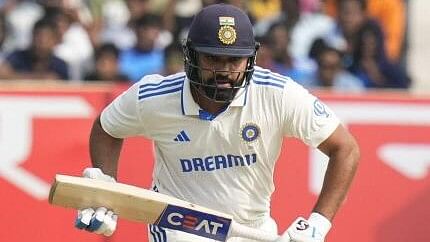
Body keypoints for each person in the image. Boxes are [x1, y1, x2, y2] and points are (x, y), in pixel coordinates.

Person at [74, 4, 360, 242]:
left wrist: (317, 225)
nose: (224, 71)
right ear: (191, 55)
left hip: (253, 227)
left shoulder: (277, 94)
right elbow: (106, 128)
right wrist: (105, 188)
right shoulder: (154, 97)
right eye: (213, 58)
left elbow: (345, 149)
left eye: (234, 61)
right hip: (179, 224)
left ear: (250, 60)